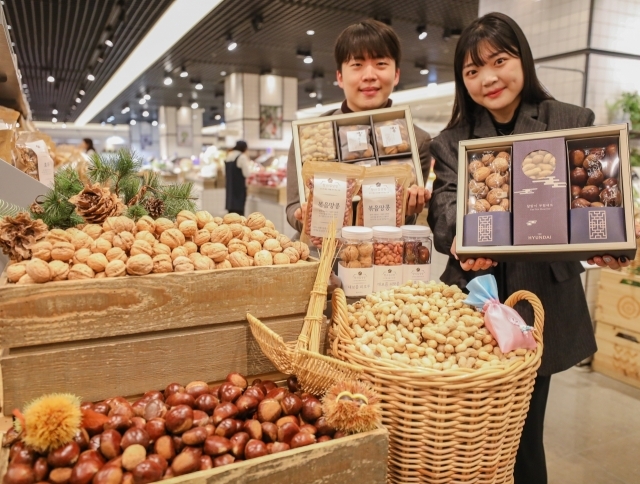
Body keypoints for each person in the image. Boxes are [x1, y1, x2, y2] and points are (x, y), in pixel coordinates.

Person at [427, 12, 631, 484]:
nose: (488, 78)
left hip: (544, 300)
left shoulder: (569, 121)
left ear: (523, 58)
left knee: (523, 431)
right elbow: (445, 207)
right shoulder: (452, 141)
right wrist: (459, 240)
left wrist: (610, 243)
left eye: (499, 60)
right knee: (470, 430)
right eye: (472, 71)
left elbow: (595, 194)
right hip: (477, 300)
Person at [286, 19, 432, 234]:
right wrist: (303, 216)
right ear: (340, 77)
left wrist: (409, 210)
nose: (369, 75)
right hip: (321, 257)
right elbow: (293, 206)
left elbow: (407, 217)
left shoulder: (418, 139)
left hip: (382, 259)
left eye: (381, 64)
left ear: (397, 74)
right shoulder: (310, 135)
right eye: (357, 65)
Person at [225, 140, 252, 216]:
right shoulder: (242, 157)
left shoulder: (228, 156)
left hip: (230, 188)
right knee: (239, 215)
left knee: (230, 215)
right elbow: (246, 174)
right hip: (239, 189)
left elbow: (225, 173)